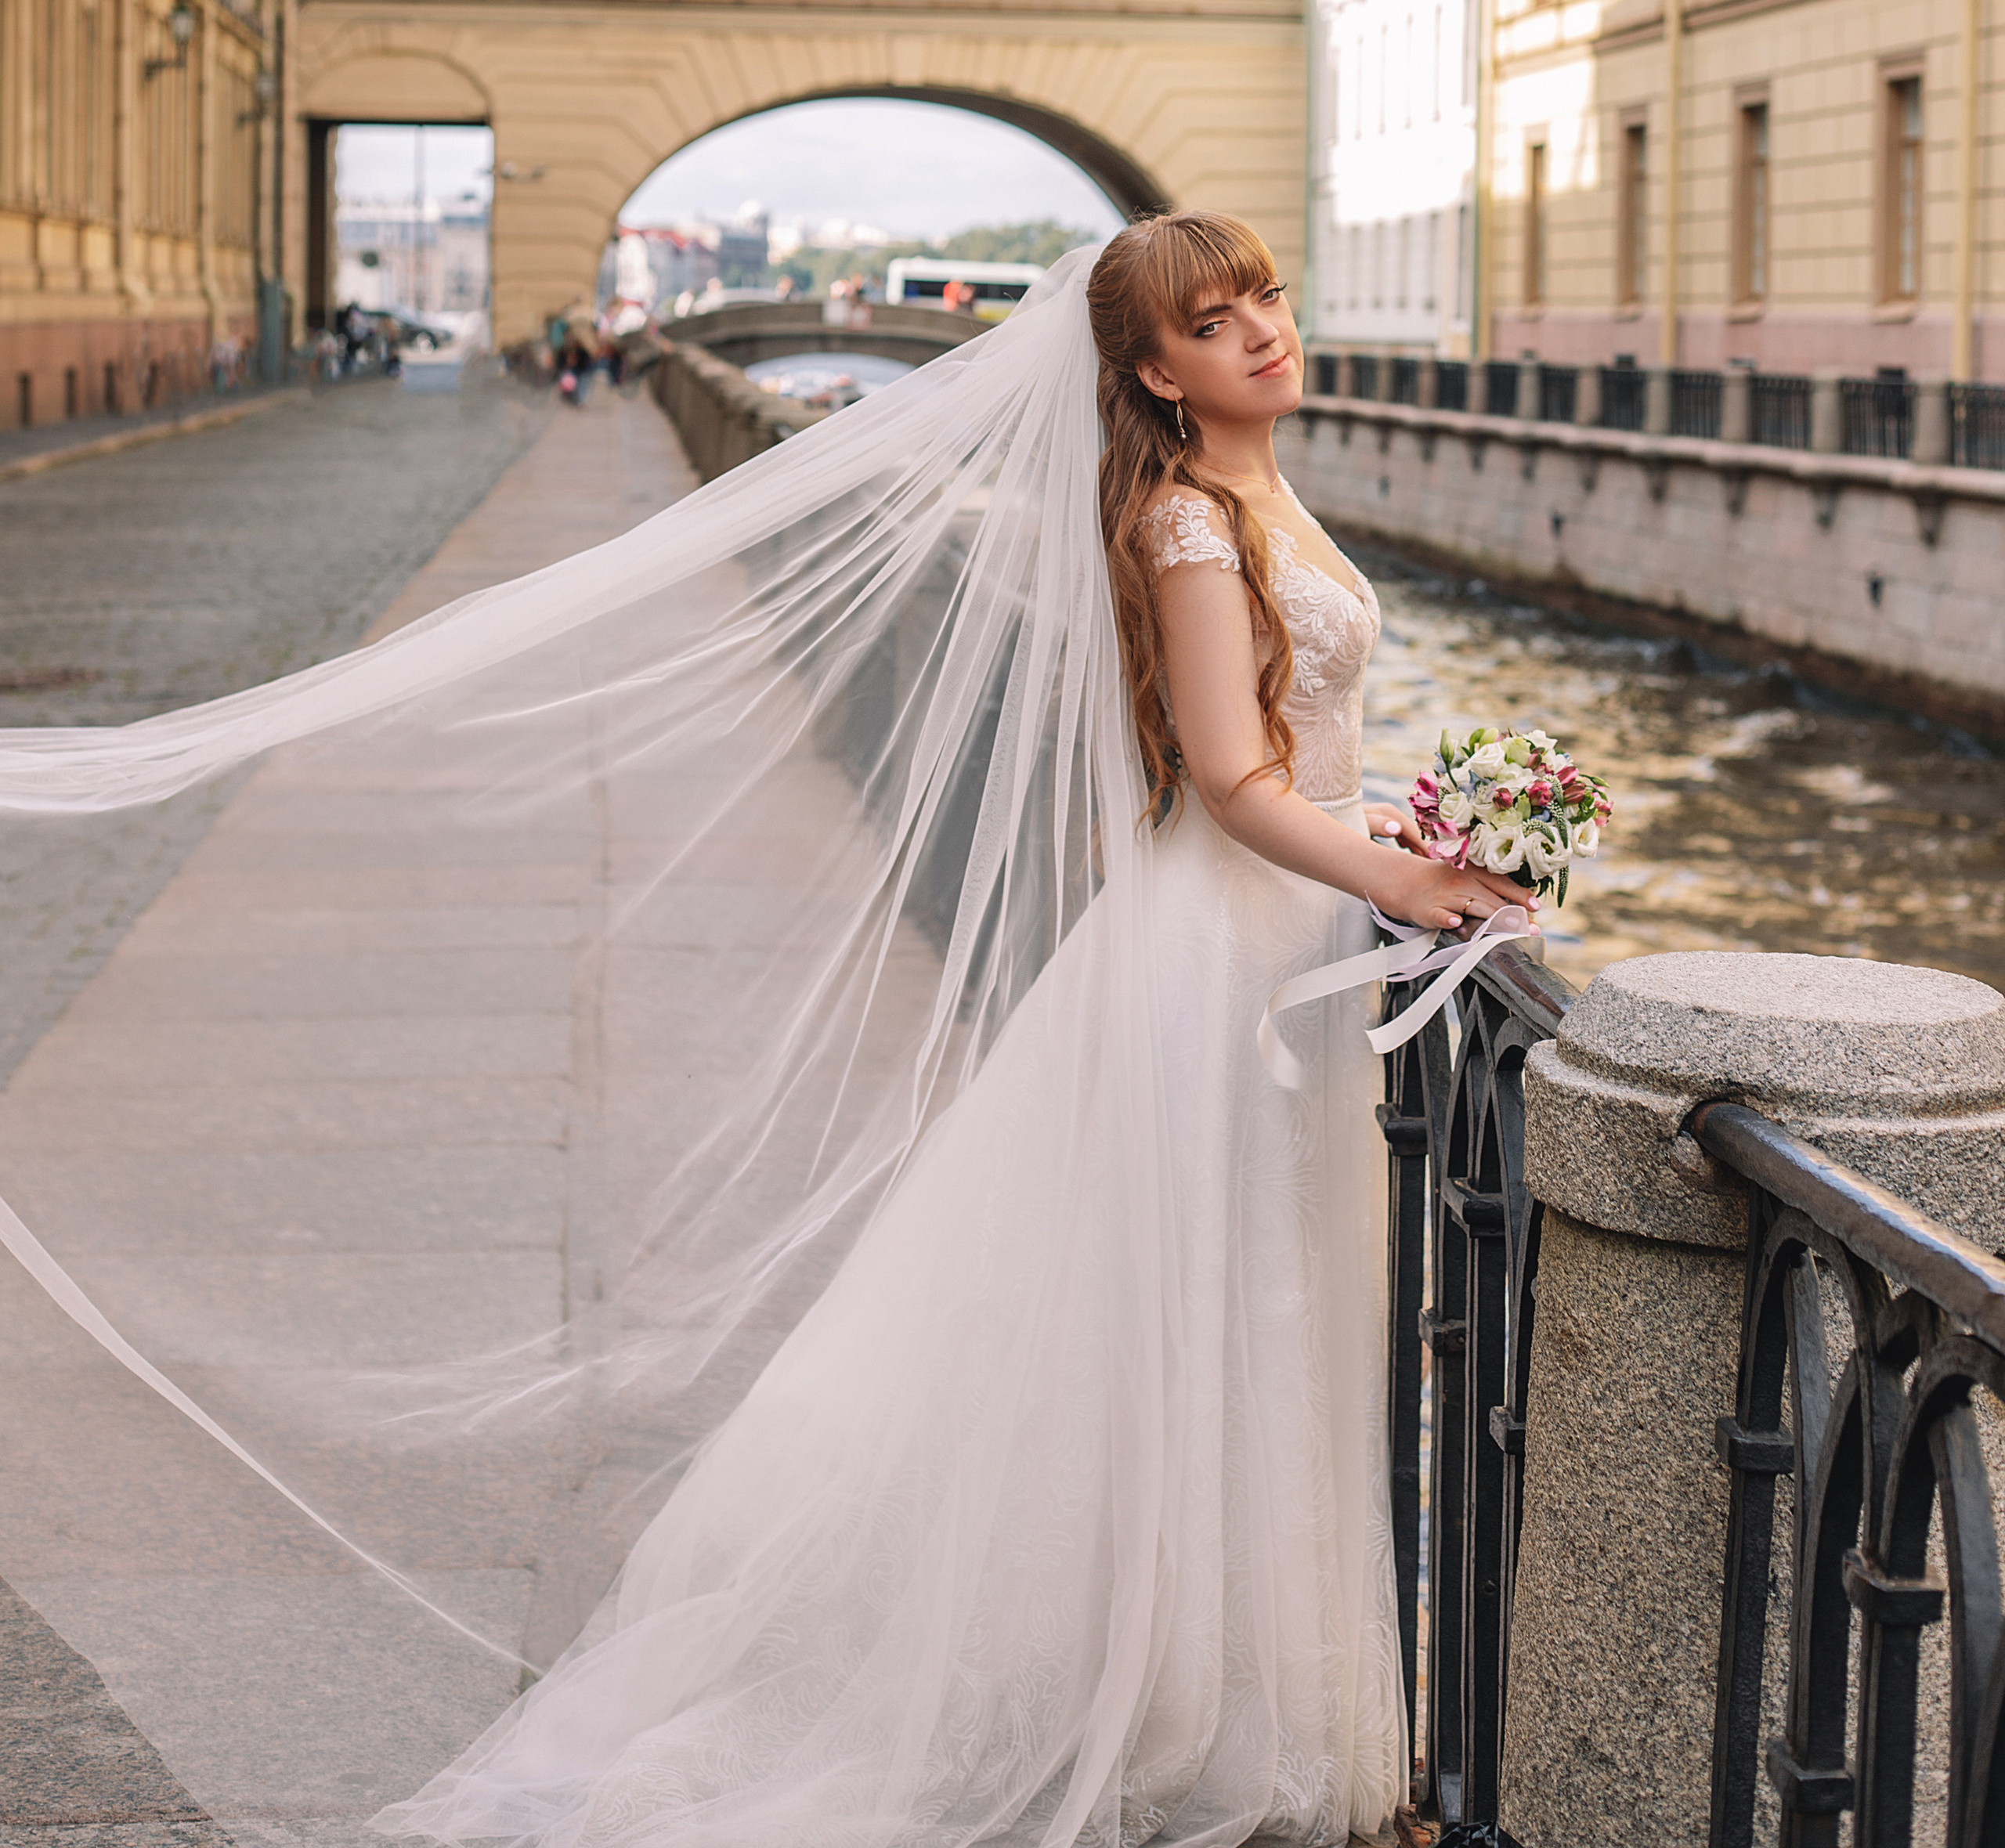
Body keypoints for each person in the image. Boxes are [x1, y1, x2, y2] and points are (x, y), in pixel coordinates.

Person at [0, 215, 1530, 1848]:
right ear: (1151, 371)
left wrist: (1425, 840)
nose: (1263, 335)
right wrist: (1400, 875)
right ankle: (1184, 1704)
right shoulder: (1182, 523)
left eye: (1265, 303)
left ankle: (1237, 1690)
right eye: (1216, 322)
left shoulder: (1254, 487)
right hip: (1222, 953)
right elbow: (1231, 786)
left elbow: (1290, 746)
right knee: (1218, 1315)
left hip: (1274, 941)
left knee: (1250, 1320)